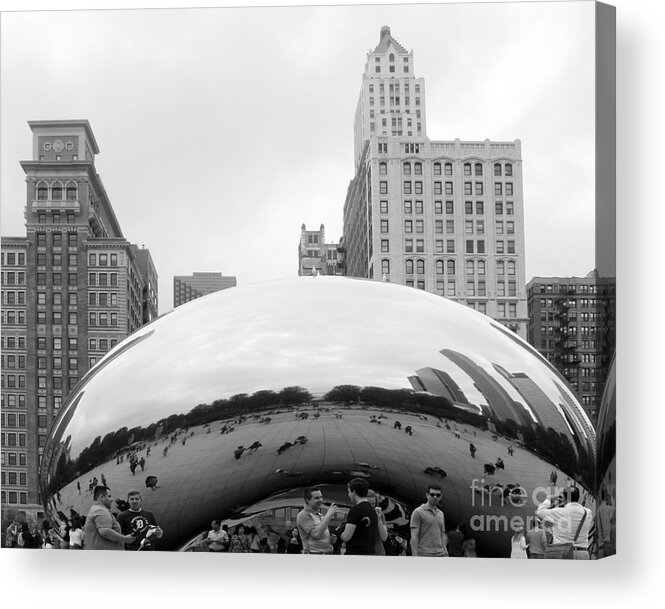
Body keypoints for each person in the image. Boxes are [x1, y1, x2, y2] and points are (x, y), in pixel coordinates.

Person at [536, 486, 592, 559]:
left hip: (563, 553)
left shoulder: (559, 512)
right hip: (582, 553)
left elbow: (540, 511)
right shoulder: (588, 512)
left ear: (565, 498)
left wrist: (549, 500)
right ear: (578, 497)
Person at [83, 485, 135, 551]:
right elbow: (105, 531)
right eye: (109, 496)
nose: (112, 499)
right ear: (102, 497)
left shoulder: (95, 509)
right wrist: (126, 539)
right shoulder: (100, 510)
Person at [340, 477, 378, 555]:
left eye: (349, 492)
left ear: (353, 492)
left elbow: (346, 537)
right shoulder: (372, 510)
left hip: (355, 554)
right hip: (370, 554)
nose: (348, 495)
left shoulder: (356, 510)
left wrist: (340, 532)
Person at [296, 487, 339, 555]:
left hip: (326, 555)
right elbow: (316, 534)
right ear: (307, 500)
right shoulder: (303, 515)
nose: (321, 500)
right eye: (317, 498)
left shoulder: (319, 515)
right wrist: (328, 515)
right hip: (314, 556)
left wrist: (331, 539)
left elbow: (321, 534)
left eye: (321, 497)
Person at [409, 484, 448, 557]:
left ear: (441, 497)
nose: (435, 497)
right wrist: (414, 556)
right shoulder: (418, 512)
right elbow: (414, 536)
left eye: (438, 495)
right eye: (432, 494)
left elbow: (442, 535)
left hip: (440, 555)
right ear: (427, 495)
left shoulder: (441, 514)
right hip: (424, 554)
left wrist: (446, 552)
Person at [367, 490, 388, 555]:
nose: (371, 506)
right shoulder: (359, 513)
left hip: (378, 552)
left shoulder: (379, 514)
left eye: (373, 504)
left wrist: (378, 519)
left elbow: (384, 537)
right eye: (368, 504)